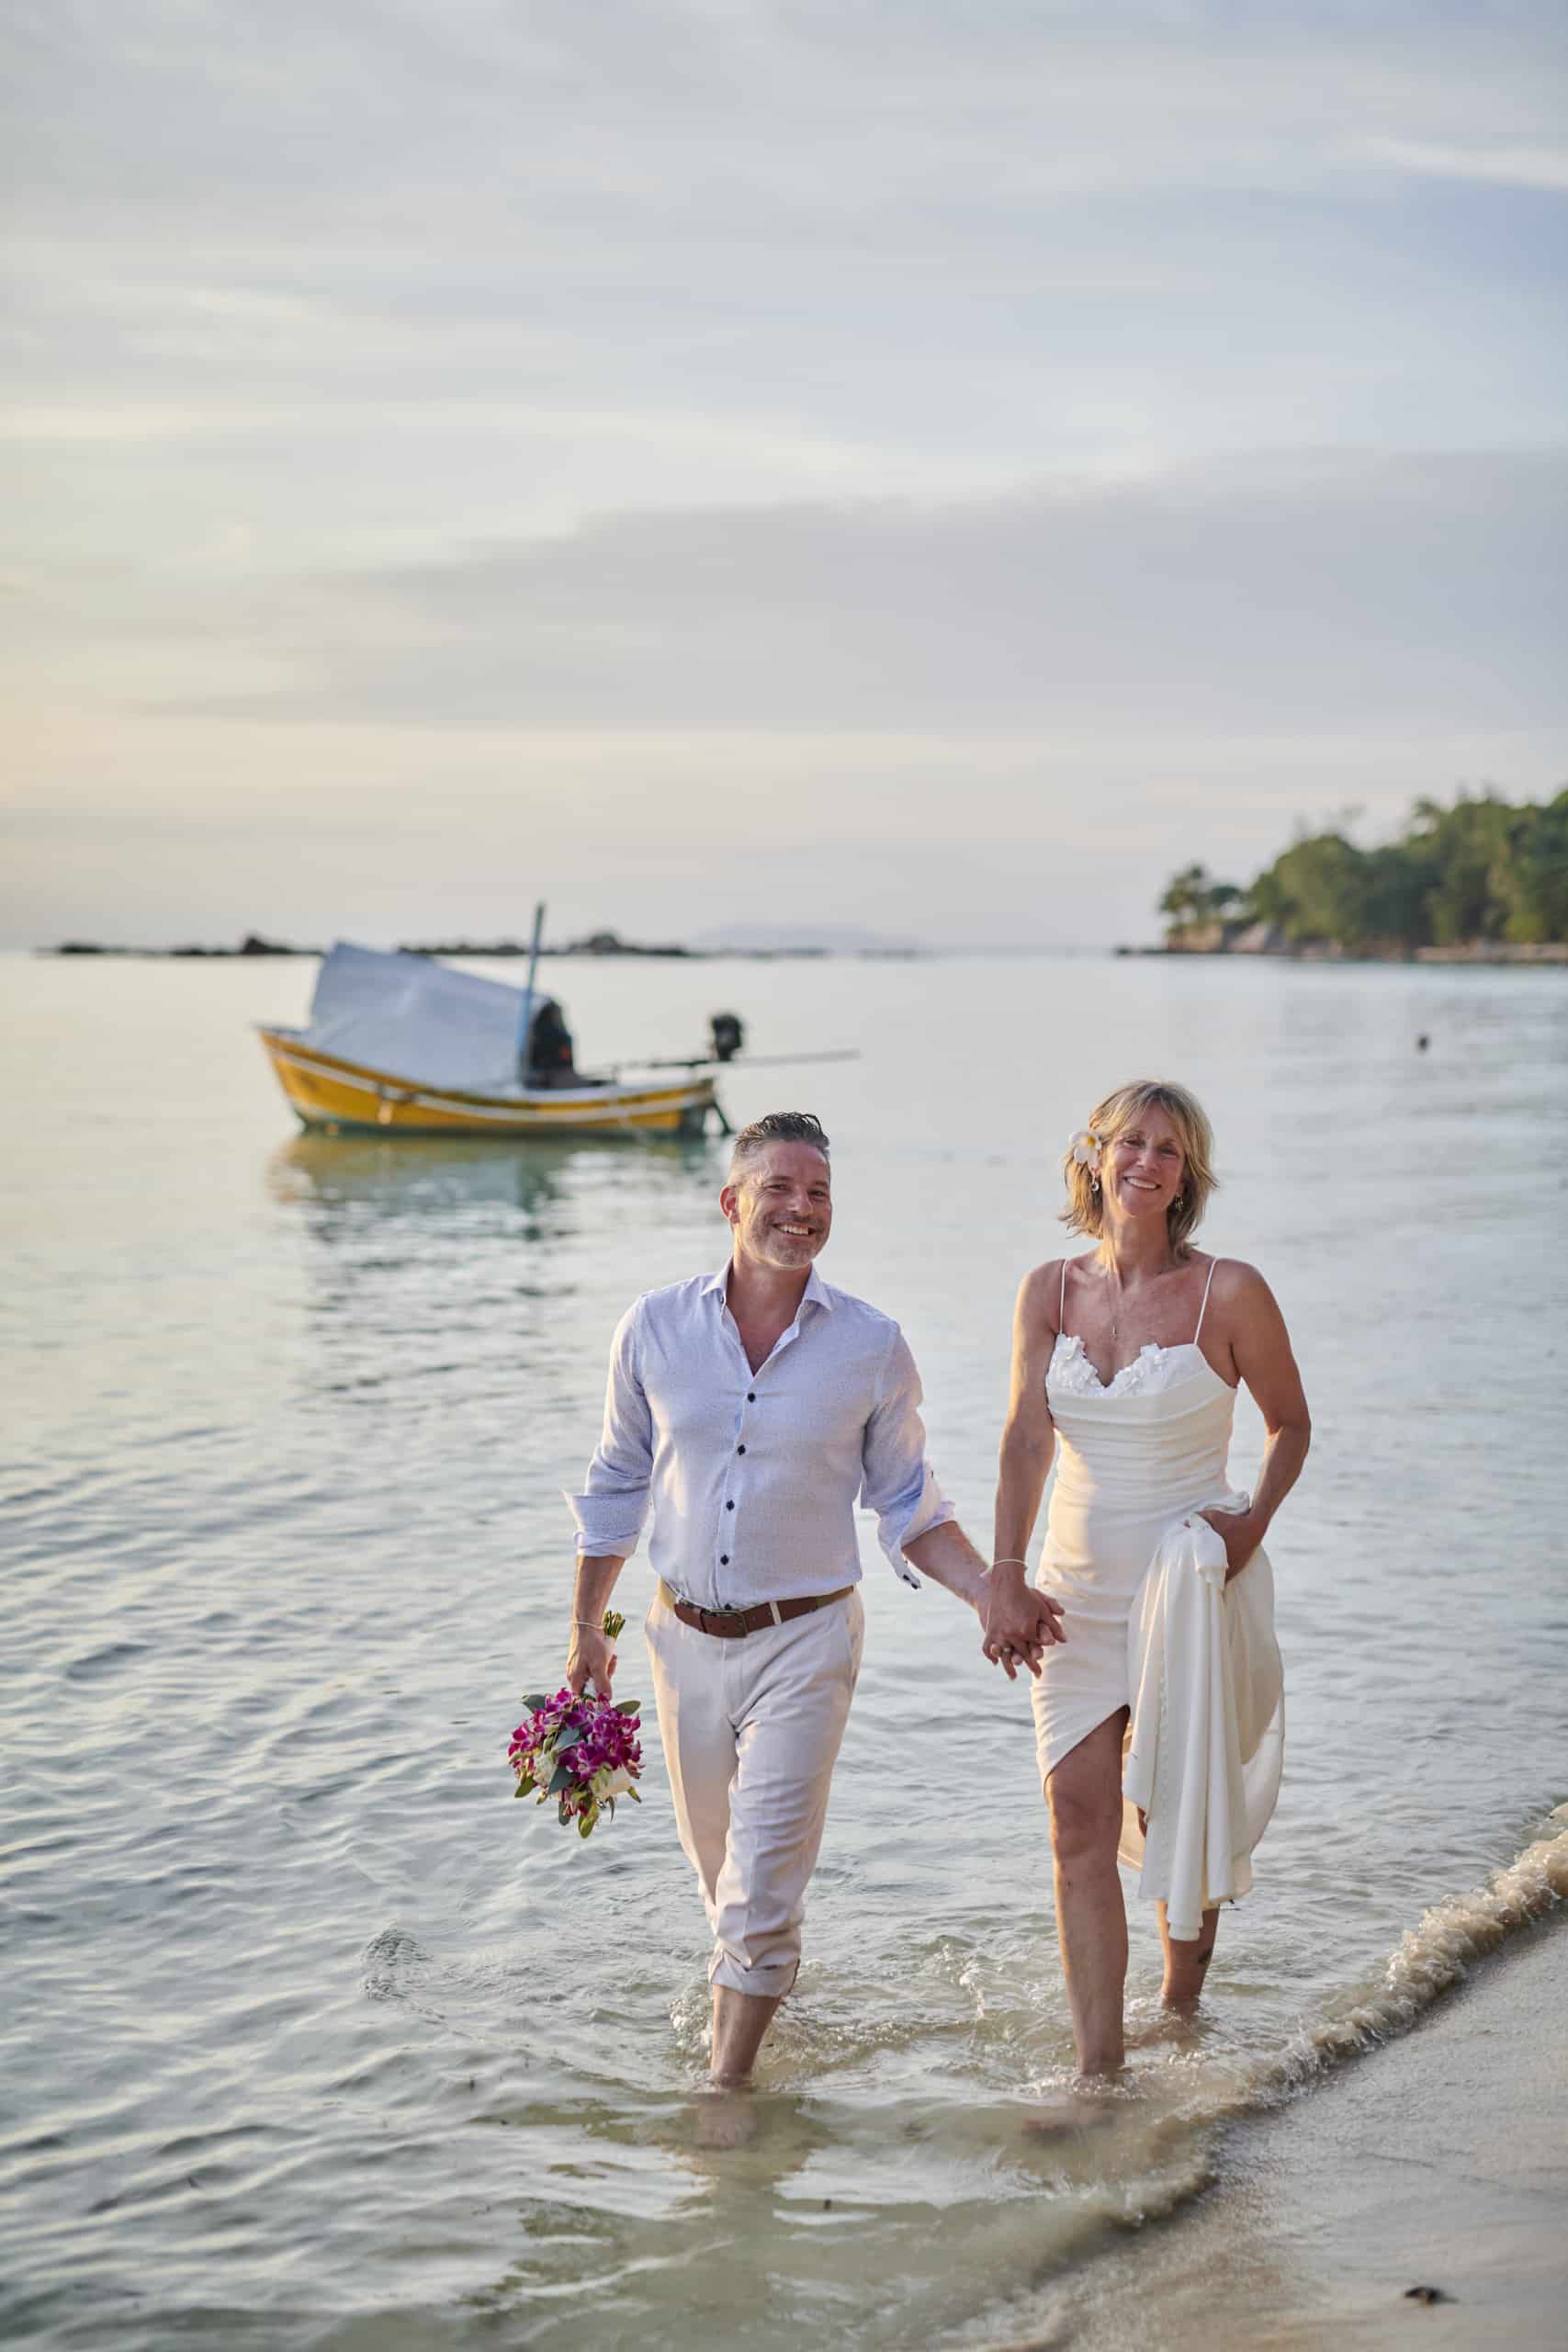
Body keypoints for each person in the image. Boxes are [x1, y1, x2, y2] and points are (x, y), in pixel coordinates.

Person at [566, 1111, 1059, 2090]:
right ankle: (771, 2000)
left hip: (808, 1639)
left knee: (754, 1894)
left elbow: (908, 1503)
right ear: (732, 1201)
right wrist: (586, 1628)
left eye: (819, 1192)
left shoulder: (870, 1345)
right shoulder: (654, 1326)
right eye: (781, 1189)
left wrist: (986, 1591)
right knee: (726, 1886)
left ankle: (726, 2091)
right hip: (680, 1637)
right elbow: (617, 1479)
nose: (802, 1209)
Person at [982, 1080, 1311, 2081]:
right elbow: (1026, 1438)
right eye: (1132, 1141)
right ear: (1095, 1156)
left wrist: (1249, 1525)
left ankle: (1180, 2012)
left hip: (1187, 1587)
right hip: (1071, 1591)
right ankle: (1100, 2072)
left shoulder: (1231, 1291)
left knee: (1176, 1811)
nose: (1148, 1162)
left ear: (1188, 1176)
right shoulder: (1048, 1290)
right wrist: (1003, 1571)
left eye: (1171, 1149)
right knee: (1075, 1820)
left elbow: (1290, 1424)